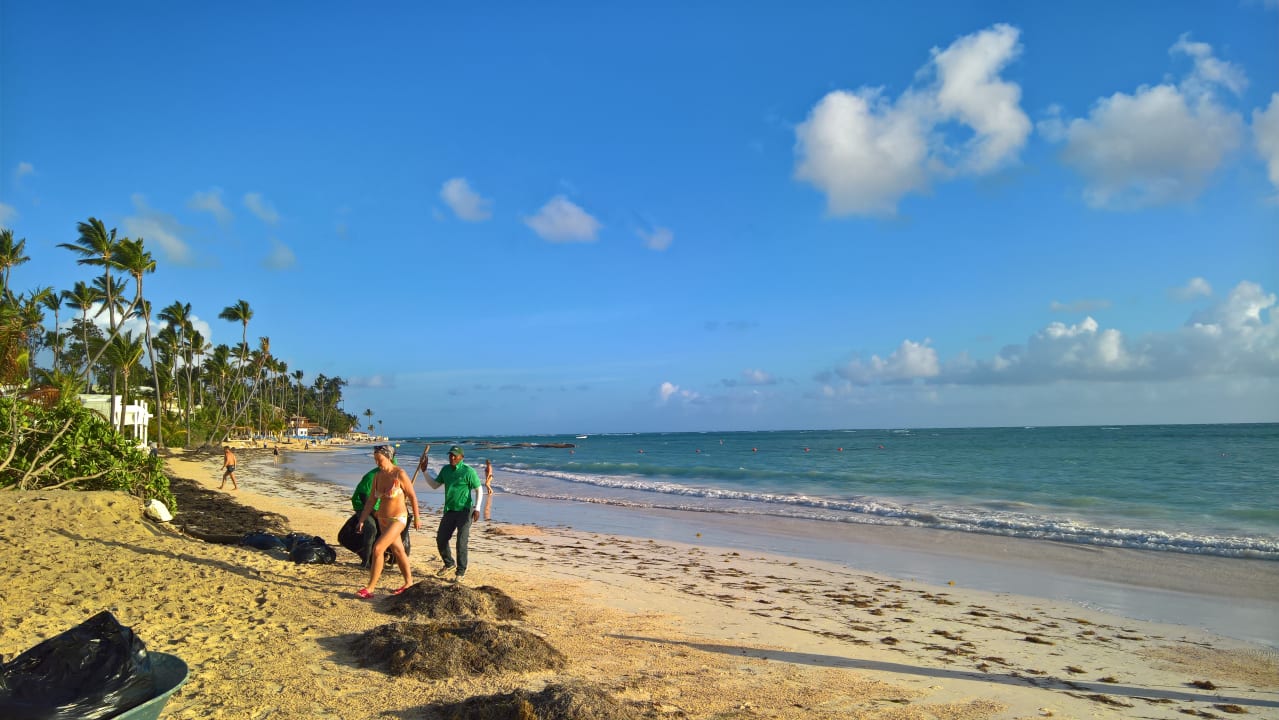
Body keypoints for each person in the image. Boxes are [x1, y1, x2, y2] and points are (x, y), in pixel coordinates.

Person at [354, 445, 421, 598]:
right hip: (382, 519)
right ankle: (409, 582)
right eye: (375, 460)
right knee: (398, 550)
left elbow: (412, 496)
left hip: (398, 518)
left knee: (378, 549)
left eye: (380, 459)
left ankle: (370, 588)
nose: (378, 463)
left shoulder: (399, 474)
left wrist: (417, 517)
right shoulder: (378, 476)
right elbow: (371, 500)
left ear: (389, 457)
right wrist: (362, 520)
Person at [419, 445, 483, 583]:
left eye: (455, 455)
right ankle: (449, 563)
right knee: (441, 539)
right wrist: (424, 472)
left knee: (461, 541)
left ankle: (460, 572)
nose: (452, 458)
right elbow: (435, 485)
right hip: (450, 510)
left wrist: (477, 508)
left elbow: (479, 489)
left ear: (461, 457)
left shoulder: (468, 471)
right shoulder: (446, 470)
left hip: (465, 511)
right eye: (450, 455)